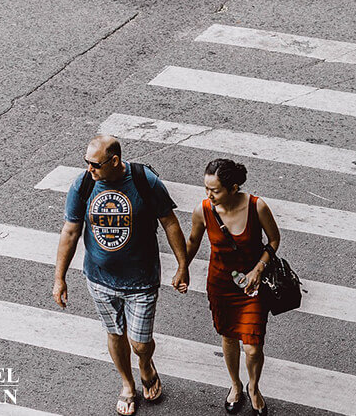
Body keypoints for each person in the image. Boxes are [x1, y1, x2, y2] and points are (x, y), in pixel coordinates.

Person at [52, 135, 189, 416]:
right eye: (86, 163)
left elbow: (170, 222)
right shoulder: (83, 184)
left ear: (114, 161)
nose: (89, 169)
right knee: (115, 334)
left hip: (141, 281)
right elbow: (70, 231)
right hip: (99, 279)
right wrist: (59, 278)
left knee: (140, 343)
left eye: (95, 165)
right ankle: (127, 384)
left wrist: (182, 265)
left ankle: (145, 365)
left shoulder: (145, 181)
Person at [186, 158, 280, 415]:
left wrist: (258, 269)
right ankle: (236, 385)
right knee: (228, 337)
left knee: (252, 346)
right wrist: (182, 268)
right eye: (206, 188)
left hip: (253, 286)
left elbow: (274, 239)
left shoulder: (256, 206)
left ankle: (254, 387)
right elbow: (193, 241)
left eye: (214, 190)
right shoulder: (203, 210)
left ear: (233, 188)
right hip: (220, 284)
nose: (209, 194)